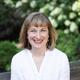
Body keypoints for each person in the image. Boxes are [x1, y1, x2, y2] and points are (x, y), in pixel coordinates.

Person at [11, 12, 70, 80]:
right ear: (26, 34)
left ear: (49, 34)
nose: (38, 36)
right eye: (33, 31)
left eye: (43, 30)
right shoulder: (18, 60)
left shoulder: (61, 58)